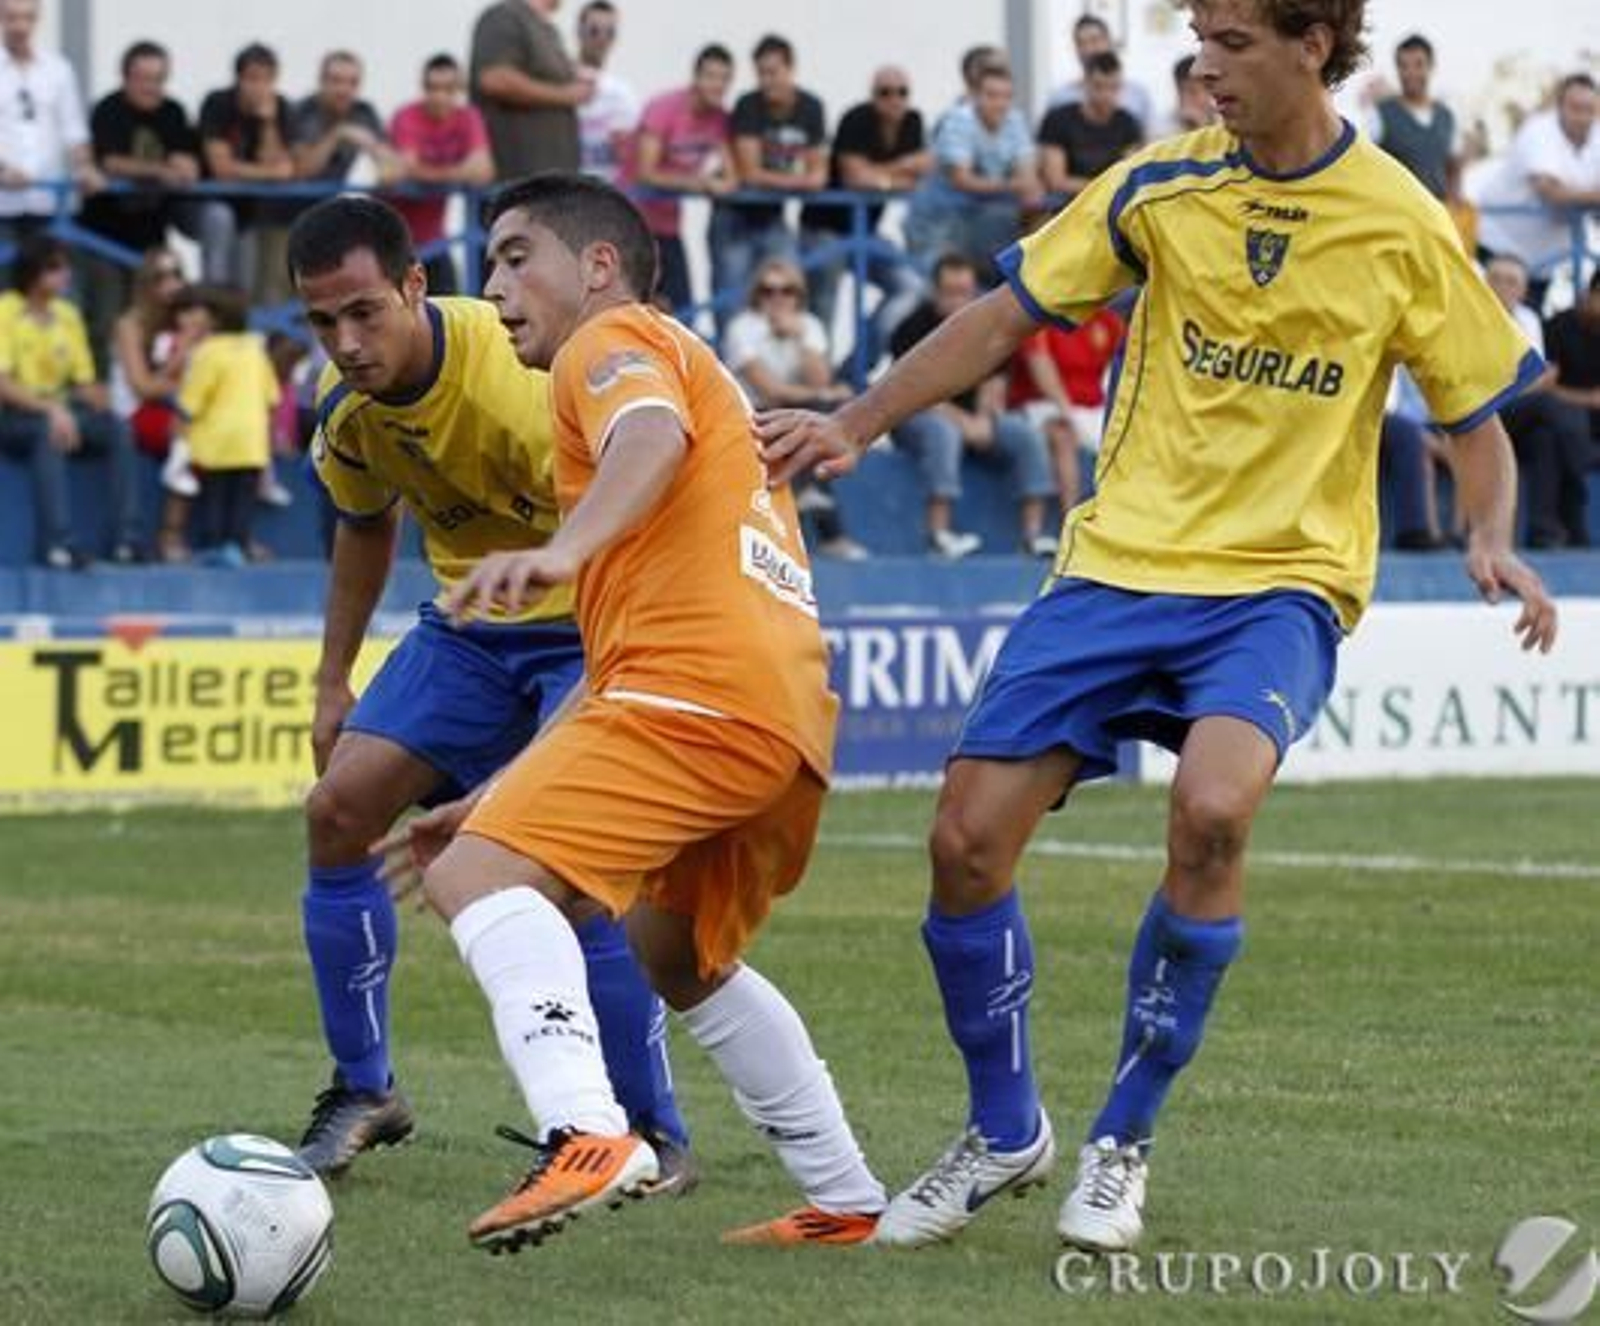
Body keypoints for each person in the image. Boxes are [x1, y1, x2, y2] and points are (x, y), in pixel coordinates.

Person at [759, 0, 1557, 1253]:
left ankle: (1121, 1140)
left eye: (1233, 42)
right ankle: (1003, 1129)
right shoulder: (1158, 185)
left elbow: (1475, 416)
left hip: (1279, 581)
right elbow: (1006, 314)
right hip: (1116, 566)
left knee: (1214, 810)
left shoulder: (1403, 219)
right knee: (964, 841)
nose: (1204, 66)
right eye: (1197, 39)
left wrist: (1489, 535)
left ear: (1313, 45)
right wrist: (856, 421)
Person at [386, 171, 885, 1253]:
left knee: (469, 874)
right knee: (678, 956)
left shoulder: (606, 345)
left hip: (695, 690)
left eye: (518, 256)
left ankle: (584, 1130)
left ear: (599, 266)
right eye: (488, 263)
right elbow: (614, 664)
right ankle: (845, 1198)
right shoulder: (685, 357)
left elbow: (646, 441)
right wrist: (490, 795)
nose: (497, 285)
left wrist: (563, 549)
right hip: (780, 712)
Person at [283, 195, 691, 1183]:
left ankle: (650, 1129)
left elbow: (641, 512)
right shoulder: (348, 418)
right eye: (322, 322)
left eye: (365, 312)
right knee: (338, 809)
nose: (346, 342)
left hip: (591, 621)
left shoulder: (523, 376)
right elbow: (365, 525)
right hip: (471, 627)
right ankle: (367, 1088)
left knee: (570, 871)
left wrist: (603, 674)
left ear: (417, 286)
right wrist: (334, 677)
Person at [888, 252, 1057, 559]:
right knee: (943, 433)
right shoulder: (911, 327)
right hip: (918, 415)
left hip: (972, 418)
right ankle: (939, 534)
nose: (957, 300)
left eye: (964, 292)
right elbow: (912, 392)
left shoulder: (987, 326)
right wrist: (963, 423)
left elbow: (995, 383)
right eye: (950, 292)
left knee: (1023, 434)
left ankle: (1033, 535)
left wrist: (982, 418)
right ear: (935, 291)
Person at [0, 234, 141, 567]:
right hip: (15, 414)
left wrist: (100, 398)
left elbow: (81, 381)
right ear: (34, 273)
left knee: (118, 429)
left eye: (66, 268)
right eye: (56, 268)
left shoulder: (67, 314)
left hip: (63, 409)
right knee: (48, 432)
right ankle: (56, 545)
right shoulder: (5, 310)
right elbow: (3, 383)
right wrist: (52, 409)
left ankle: (126, 540)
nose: (66, 276)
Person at [723, 257, 865, 560]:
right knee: (821, 413)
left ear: (798, 294)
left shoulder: (808, 325)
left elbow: (820, 377)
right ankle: (829, 530)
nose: (777, 298)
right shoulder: (741, 328)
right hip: (754, 416)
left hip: (793, 416)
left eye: (787, 290)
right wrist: (822, 393)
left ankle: (809, 498)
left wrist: (799, 338)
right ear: (756, 293)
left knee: (818, 417)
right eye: (768, 290)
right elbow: (770, 390)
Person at [796, 66, 930, 361]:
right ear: (873, 96)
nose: (894, 99)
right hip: (823, 228)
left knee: (912, 286)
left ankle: (854, 368)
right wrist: (899, 168)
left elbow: (920, 176)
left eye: (901, 92)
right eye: (885, 92)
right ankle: (821, 384)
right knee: (823, 305)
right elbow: (855, 178)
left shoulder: (913, 121)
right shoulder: (856, 118)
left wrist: (878, 176)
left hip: (865, 232)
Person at [711, 34, 827, 324]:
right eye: (761, 73)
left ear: (791, 69)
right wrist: (798, 181)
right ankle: (723, 369)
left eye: (773, 72)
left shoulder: (811, 107)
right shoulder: (748, 105)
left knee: (792, 291)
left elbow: (819, 176)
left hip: (773, 218)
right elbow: (750, 174)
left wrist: (776, 180)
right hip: (733, 219)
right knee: (731, 306)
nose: (767, 81)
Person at [1486, 255, 1592, 548]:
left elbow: (1537, 378)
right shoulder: (1466, 317)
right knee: (1552, 407)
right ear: (1483, 282)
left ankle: (1543, 531)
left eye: (1512, 281)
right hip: (1478, 411)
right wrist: (1524, 387)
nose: (1503, 286)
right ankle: (1577, 493)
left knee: (1544, 437)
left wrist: (1523, 387)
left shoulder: (1528, 319)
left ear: (1523, 290)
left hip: (1515, 409)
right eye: (1496, 278)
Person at [1474, 73, 1600, 311]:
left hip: (1542, 263)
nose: (1583, 116)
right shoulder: (1539, 131)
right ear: (1559, 107)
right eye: (1575, 108)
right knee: (1494, 327)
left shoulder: (1597, 135)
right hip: (1500, 251)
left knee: (1529, 331)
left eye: (1589, 109)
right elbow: (1550, 191)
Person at [175, 284, 278, 566]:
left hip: (215, 444)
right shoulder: (256, 351)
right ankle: (239, 545)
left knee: (215, 499)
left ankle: (214, 546)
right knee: (242, 501)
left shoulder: (207, 352)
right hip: (251, 444)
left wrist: (179, 435)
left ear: (215, 319)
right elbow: (271, 398)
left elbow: (190, 402)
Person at [904, 63, 1041, 275]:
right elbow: (962, 179)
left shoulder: (1015, 119)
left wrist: (1025, 185)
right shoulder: (958, 119)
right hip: (937, 223)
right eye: (992, 95)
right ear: (975, 96)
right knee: (933, 295)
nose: (1000, 103)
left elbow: (1028, 177)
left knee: (976, 292)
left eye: (1006, 96)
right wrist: (1015, 185)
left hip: (979, 223)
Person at [630, 42, 736, 312]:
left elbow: (731, 174)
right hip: (632, 221)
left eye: (724, 78)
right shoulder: (664, 107)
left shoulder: (720, 117)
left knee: (682, 312)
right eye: (711, 76)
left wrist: (723, 182)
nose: (718, 85)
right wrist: (700, 183)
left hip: (668, 225)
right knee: (631, 310)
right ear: (695, 78)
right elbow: (645, 172)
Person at [110, 246, 198, 562]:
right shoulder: (129, 324)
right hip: (131, 413)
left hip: (171, 408)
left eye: (176, 274)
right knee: (190, 433)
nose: (171, 283)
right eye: (162, 276)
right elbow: (143, 387)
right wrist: (181, 354)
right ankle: (169, 534)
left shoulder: (183, 320)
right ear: (146, 284)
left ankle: (230, 536)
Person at [388, 54, 494, 297]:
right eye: (432, 88)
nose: (439, 96)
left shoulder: (468, 117)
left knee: (449, 317)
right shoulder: (407, 116)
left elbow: (484, 171)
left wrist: (429, 173)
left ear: (459, 89)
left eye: (448, 89)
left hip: (437, 241)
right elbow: (408, 169)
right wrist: (459, 173)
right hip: (395, 242)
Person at [0, 0, 102, 251]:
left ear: (37, 20)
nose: (19, 26)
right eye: (12, 17)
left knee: (48, 284)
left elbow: (74, 130)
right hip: (2, 202)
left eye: (27, 18)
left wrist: (85, 166)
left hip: (49, 200)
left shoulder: (58, 69)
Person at [197, 43, 295, 301]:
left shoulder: (279, 108)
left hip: (250, 213)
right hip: (210, 203)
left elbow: (282, 167)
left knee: (245, 290)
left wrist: (268, 123)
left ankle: (237, 338)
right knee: (217, 281)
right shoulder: (218, 103)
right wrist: (269, 173)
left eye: (267, 79)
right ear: (238, 79)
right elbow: (222, 169)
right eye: (252, 78)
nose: (260, 87)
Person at [470, 0, 594, 179]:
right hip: (517, 182)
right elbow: (494, 79)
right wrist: (566, 95)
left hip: (549, 180)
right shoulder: (504, 16)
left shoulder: (547, 29)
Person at [1038, 51, 1144, 196]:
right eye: (1099, 86)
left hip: (1109, 200)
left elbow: (1131, 175)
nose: (1106, 95)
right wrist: (1104, 188)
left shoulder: (1128, 122)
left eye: (1114, 87)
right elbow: (1056, 181)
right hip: (1068, 202)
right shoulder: (1058, 119)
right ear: (1085, 84)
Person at [1368, 34, 1457, 203]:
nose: (1410, 73)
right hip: (1397, 216)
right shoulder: (1379, 114)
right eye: (1403, 66)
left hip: (1437, 216)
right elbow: (1365, 165)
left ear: (1431, 67)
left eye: (1418, 65)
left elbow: (1452, 167)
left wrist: (1455, 202)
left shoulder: (1447, 116)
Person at [290, 51, 400, 186]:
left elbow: (393, 169)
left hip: (334, 200)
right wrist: (338, 134)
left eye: (353, 83)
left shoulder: (364, 112)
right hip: (291, 203)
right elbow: (302, 170)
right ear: (321, 81)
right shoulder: (303, 110)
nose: (344, 89)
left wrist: (374, 149)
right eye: (336, 80)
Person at [1045, 13, 1155, 131]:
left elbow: (1150, 139)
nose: (1088, 49)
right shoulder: (1061, 97)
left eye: (1094, 41)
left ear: (1109, 42)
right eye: (1080, 43)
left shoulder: (1137, 94)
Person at [573, 0, 638, 185]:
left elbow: (629, 154)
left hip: (607, 196)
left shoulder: (623, 91)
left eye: (610, 32)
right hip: (566, 195)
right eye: (594, 30)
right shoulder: (557, 83)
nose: (602, 38)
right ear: (579, 32)